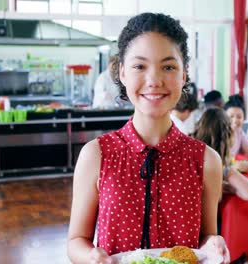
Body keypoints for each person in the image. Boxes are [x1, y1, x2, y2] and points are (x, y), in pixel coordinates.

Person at [68, 13, 230, 264]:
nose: (154, 80)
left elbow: (205, 238)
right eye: (140, 66)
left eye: (168, 67)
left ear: (184, 74)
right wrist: (91, 257)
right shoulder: (96, 154)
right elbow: (76, 240)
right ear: (122, 72)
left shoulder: (207, 160)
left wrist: (214, 243)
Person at [192, 108, 248, 202]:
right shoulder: (219, 166)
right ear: (226, 138)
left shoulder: (189, 154)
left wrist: (224, 185)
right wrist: (230, 183)